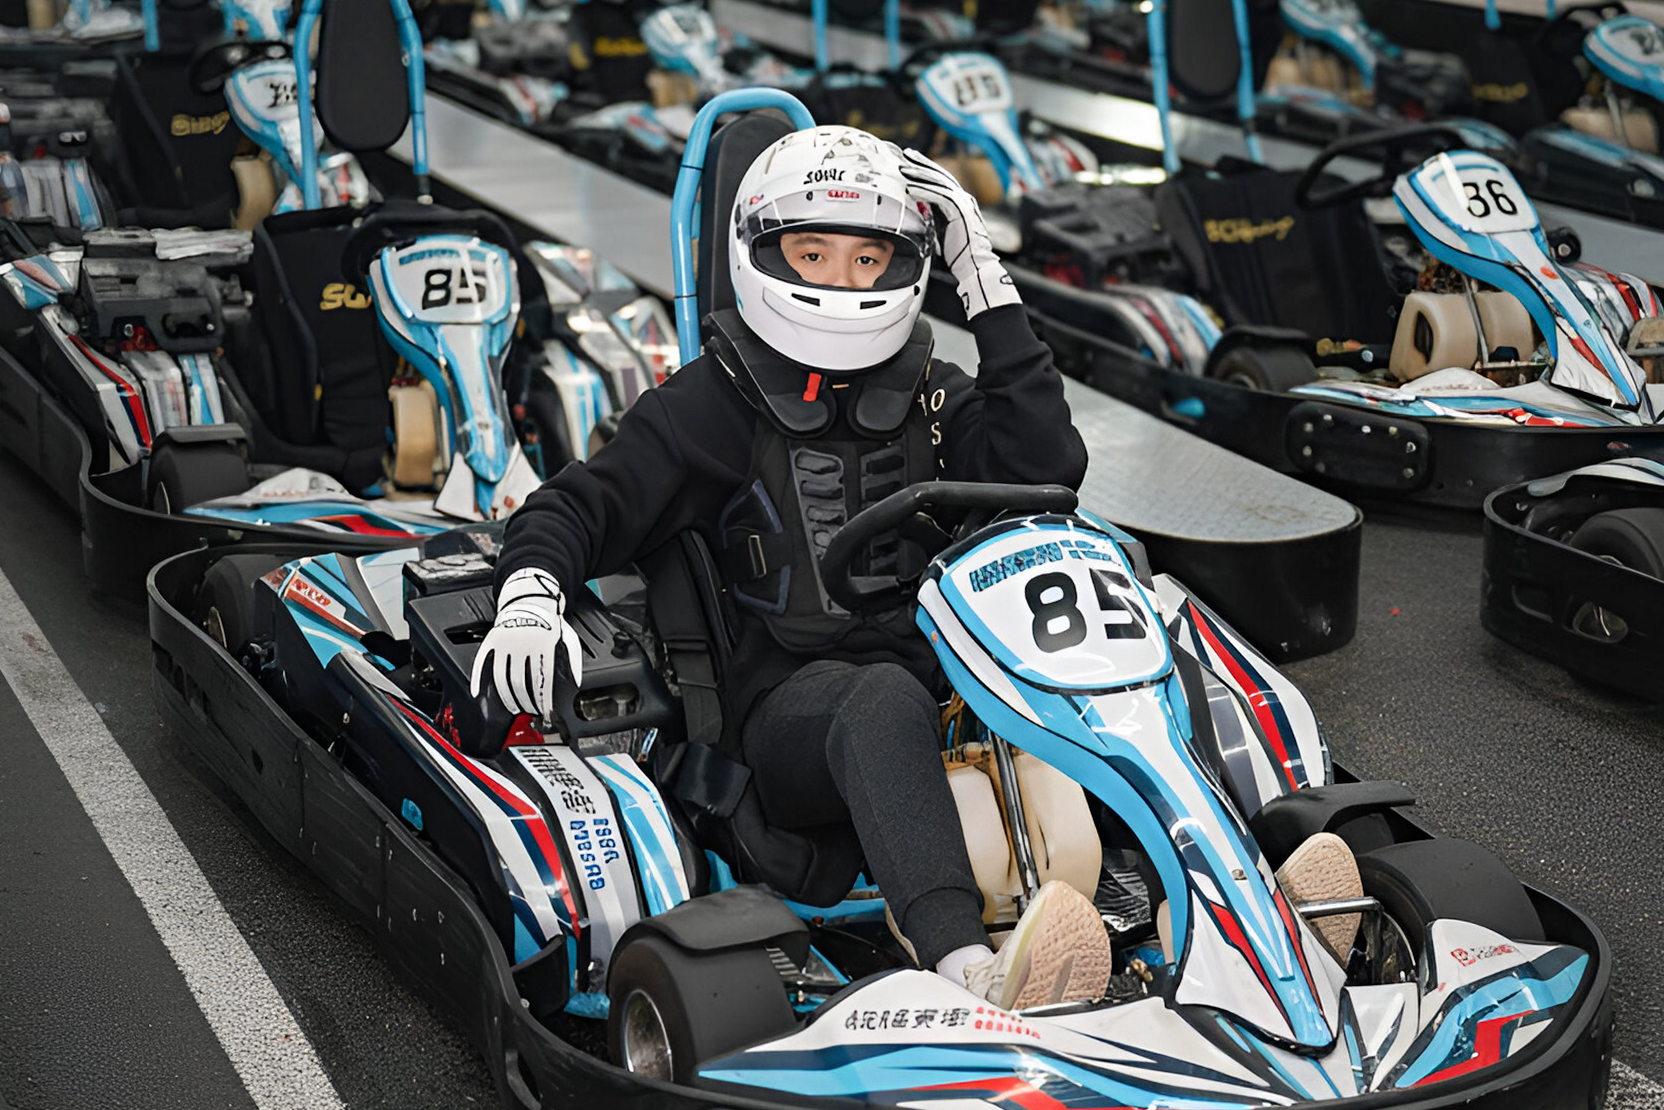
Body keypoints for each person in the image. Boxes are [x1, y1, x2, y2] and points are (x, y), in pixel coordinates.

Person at [471, 125, 1110, 1010]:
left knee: (1133, 612)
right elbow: (573, 507)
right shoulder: (715, 402)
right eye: (812, 254)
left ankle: (1247, 902)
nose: (840, 281)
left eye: (865, 258)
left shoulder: (929, 384)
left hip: (960, 693)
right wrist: (531, 599)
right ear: (765, 254)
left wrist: (987, 282)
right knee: (881, 698)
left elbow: (1048, 472)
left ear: (907, 264)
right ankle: (973, 971)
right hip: (790, 720)